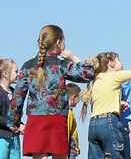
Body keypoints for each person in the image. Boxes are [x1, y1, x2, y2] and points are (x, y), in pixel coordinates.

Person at [9, 25, 95, 159]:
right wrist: (74, 58)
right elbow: (88, 74)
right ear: (59, 43)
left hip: (35, 119)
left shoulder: (27, 66)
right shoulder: (62, 65)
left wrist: (13, 121)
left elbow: (17, 97)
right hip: (57, 118)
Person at [0, 59, 20, 159]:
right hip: (2, 137)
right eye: (16, 71)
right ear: (5, 74)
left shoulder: (15, 93)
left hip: (15, 137)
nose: (18, 74)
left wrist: (20, 124)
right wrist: (10, 124)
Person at [66, 83, 82, 159]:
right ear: (73, 98)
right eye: (78, 99)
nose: (78, 102)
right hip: (69, 150)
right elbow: (68, 132)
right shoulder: (69, 113)